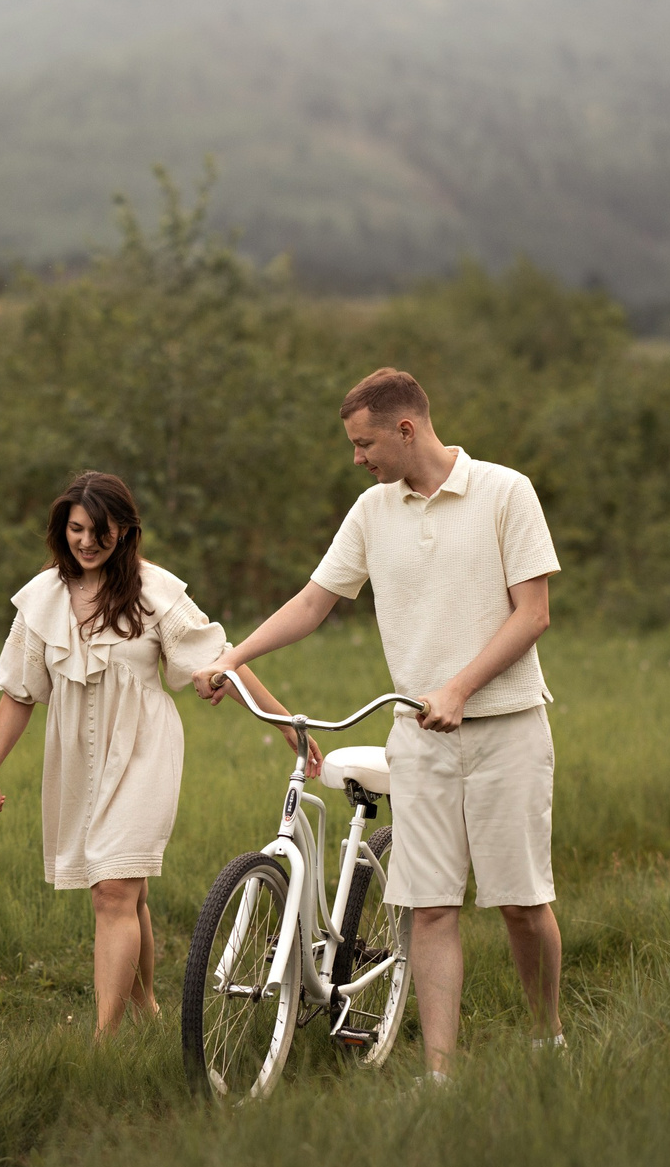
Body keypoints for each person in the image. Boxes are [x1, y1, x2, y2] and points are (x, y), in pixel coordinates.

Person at [195, 368, 563, 1078]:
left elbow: (534, 613)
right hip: (418, 740)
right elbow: (312, 602)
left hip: (507, 730)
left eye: (364, 444)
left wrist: (458, 687)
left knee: (520, 902)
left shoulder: (504, 492)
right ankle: (440, 1076)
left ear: (406, 428)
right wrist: (232, 659)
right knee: (428, 908)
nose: (357, 459)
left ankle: (547, 1036)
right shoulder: (372, 513)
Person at [0, 471, 307, 1038]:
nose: (86, 542)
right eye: (76, 529)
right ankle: (147, 1007)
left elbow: (221, 657)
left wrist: (284, 724)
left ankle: (104, 1041)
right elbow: (18, 693)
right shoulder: (42, 600)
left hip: (144, 749)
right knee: (123, 889)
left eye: (99, 531)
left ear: (125, 531)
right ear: (63, 529)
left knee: (113, 890)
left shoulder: (155, 593)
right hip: (77, 754)